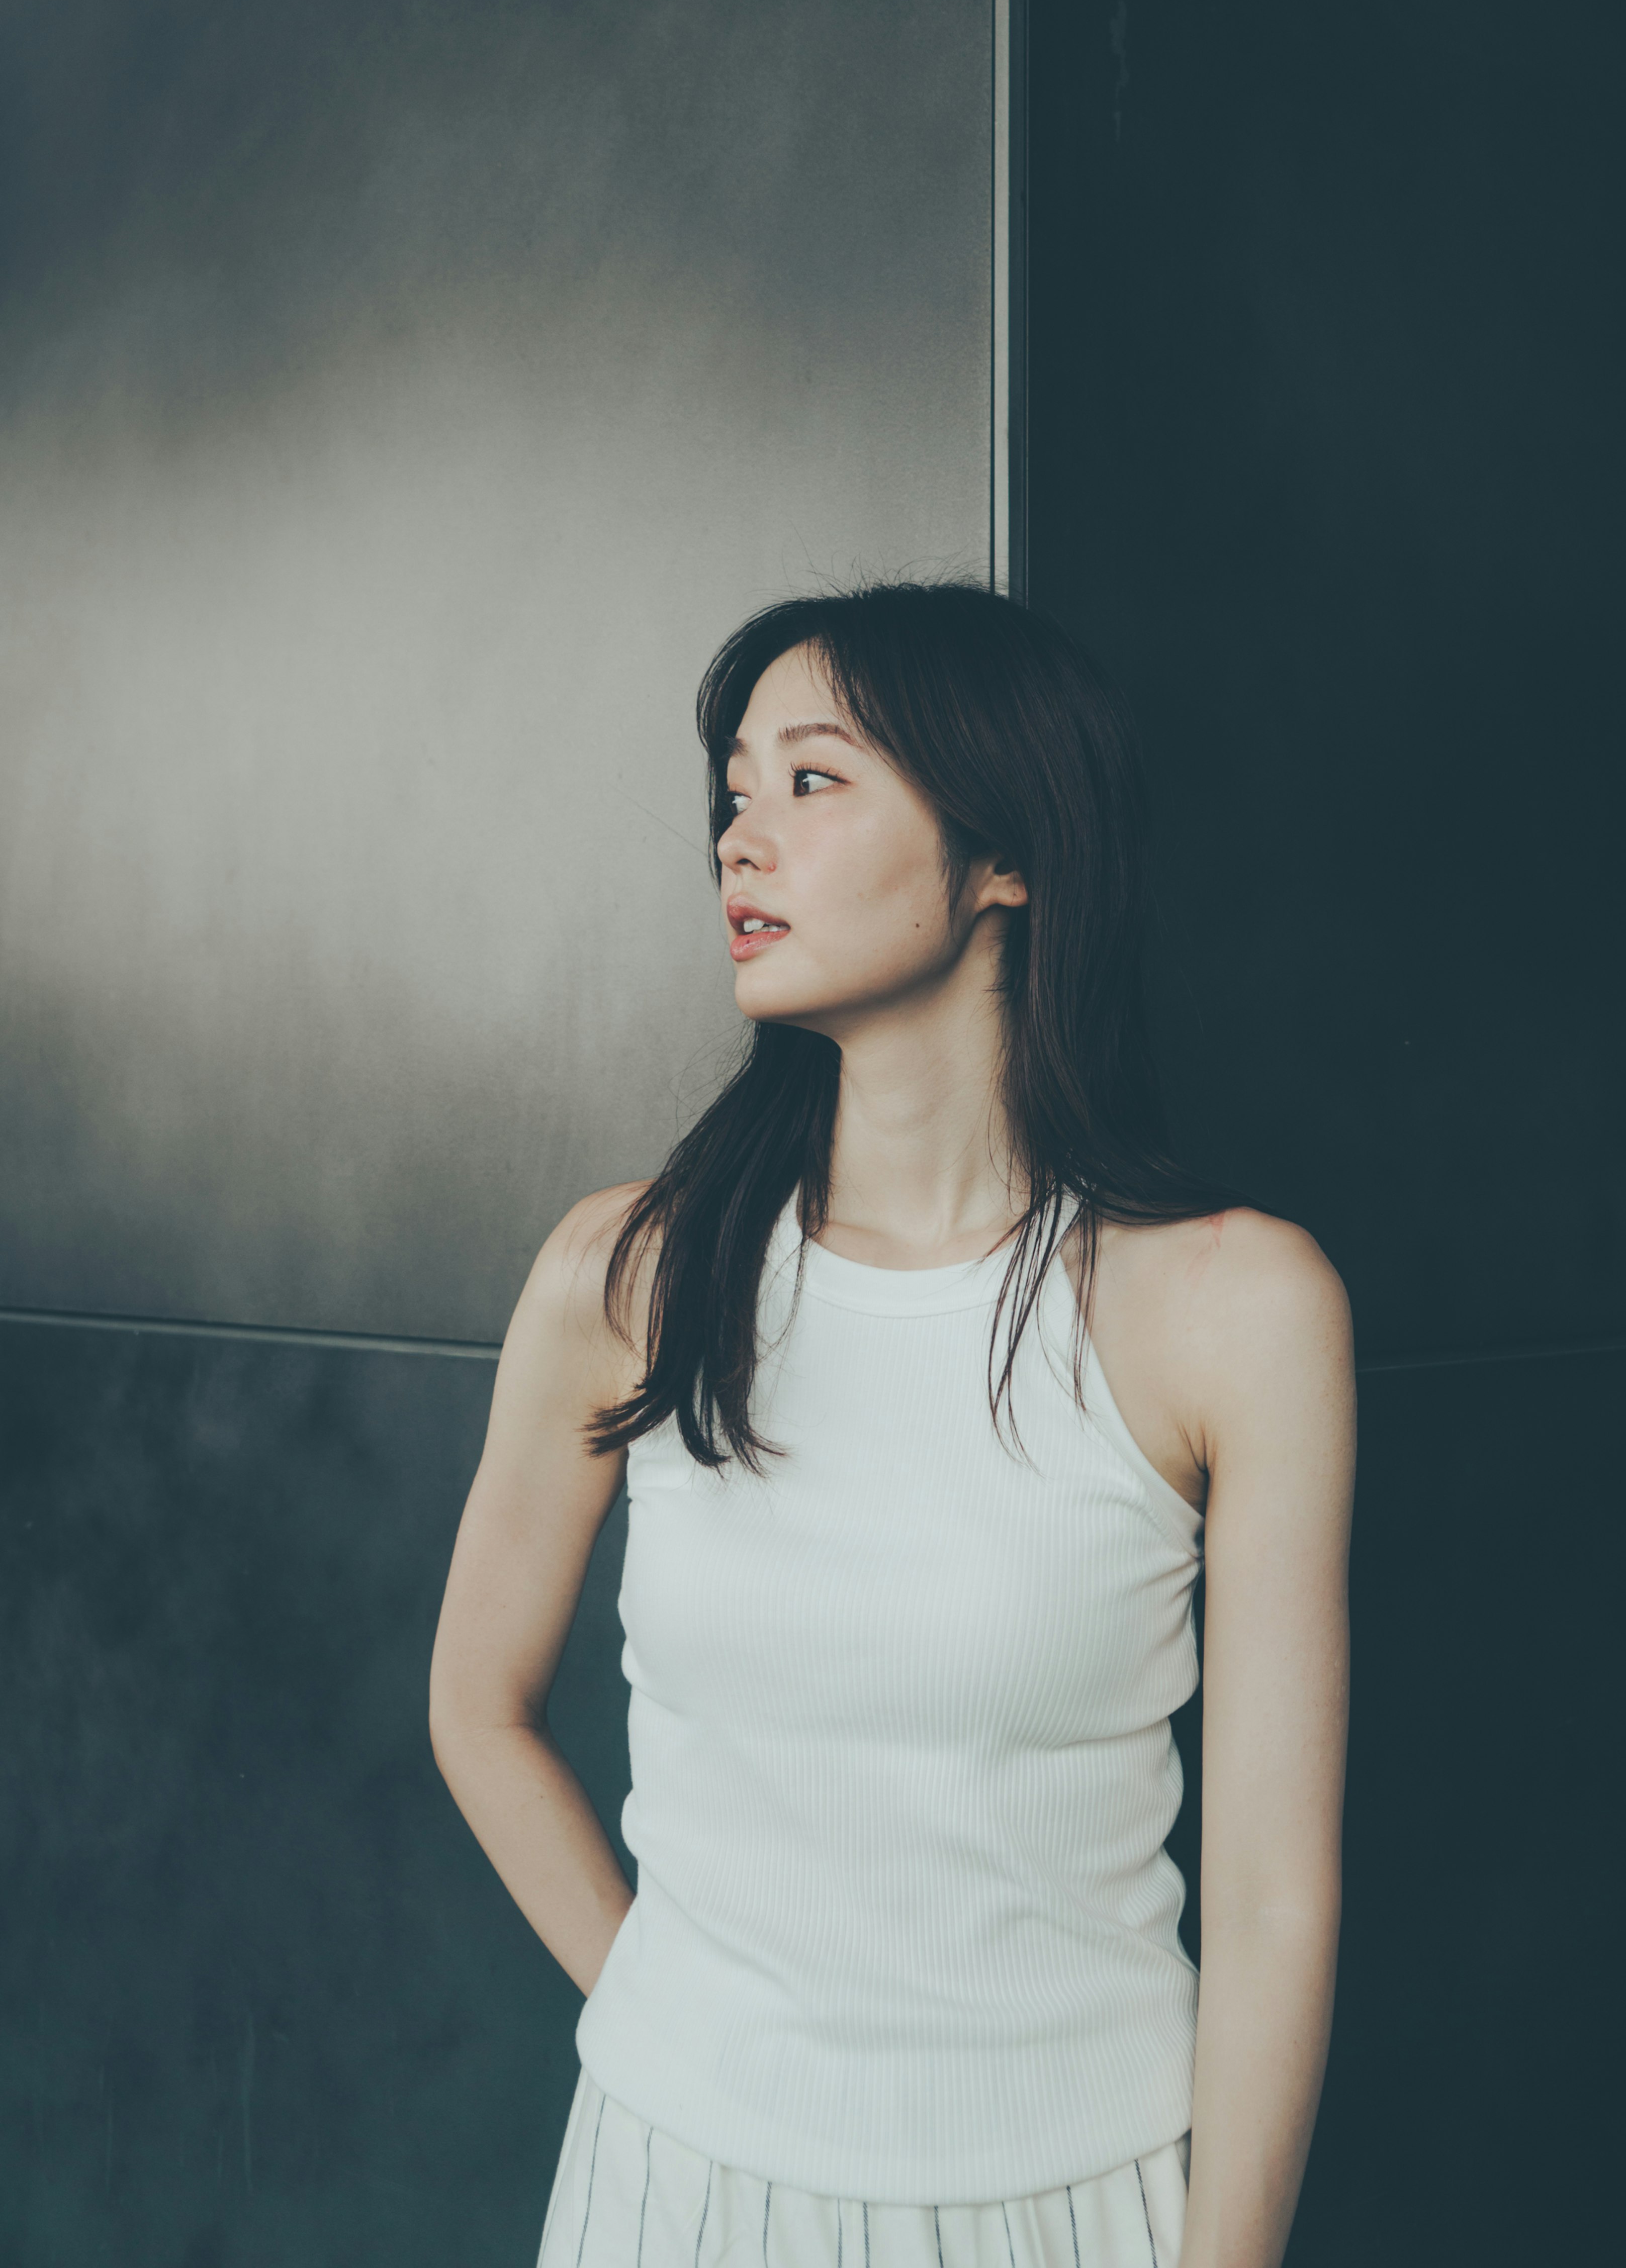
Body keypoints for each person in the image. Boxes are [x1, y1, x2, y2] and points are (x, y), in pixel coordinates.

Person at [429, 580, 1355, 2268]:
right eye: (731, 793)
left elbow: (1277, 1904)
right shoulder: (625, 1276)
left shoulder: (1233, 1309)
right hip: (674, 2191)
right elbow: (475, 1710)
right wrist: (690, 2023)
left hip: (1083, 2205)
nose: (738, 840)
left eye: (811, 781)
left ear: (1006, 855)